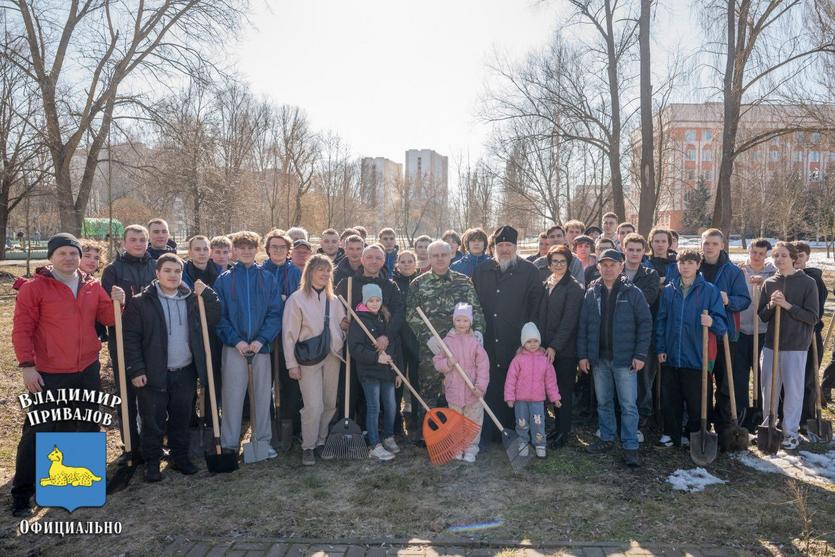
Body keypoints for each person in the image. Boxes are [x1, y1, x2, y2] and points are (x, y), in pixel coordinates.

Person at [11, 233, 124, 516]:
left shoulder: (91, 285)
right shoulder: (35, 289)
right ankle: (22, 494)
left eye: (73, 253)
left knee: (84, 425)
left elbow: (107, 320)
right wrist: (27, 366)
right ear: (51, 257)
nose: (69, 258)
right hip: (48, 372)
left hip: (86, 368)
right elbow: (22, 329)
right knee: (40, 430)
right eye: (62, 253)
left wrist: (117, 303)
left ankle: (74, 489)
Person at [123, 254, 221, 481]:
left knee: (181, 418)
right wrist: (136, 370)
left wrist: (207, 293)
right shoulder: (141, 302)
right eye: (167, 271)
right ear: (157, 274)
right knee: (153, 420)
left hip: (185, 370)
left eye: (177, 271)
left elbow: (214, 316)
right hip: (153, 372)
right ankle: (152, 462)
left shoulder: (190, 299)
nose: (173, 275)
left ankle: (179, 457)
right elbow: (130, 339)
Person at [666, 228, 750, 431]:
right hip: (694, 335)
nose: (710, 247)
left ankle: (723, 424)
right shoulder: (694, 266)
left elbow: (745, 300)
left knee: (723, 383)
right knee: (699, 381)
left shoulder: (732, 271)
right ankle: (699, 421)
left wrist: (728, 300)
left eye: (714, 243)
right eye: (706, 243)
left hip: (722, 334)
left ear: (722, 245)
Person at [577, 249, 651, 467]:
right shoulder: (592, 292)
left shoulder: (633, 292)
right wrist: (583, 355)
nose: (608, 269)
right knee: (604, 401)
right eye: (604, 265)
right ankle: (607, 438)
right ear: (598, 267)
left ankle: (630, 446)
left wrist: (639, 354)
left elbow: (645, 324)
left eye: (613, 264)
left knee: (628, 404)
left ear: (621, 266)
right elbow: (583, 326)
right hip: (599, 359)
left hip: (625, 360)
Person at [214, 231, 283, 459]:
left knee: (263, 396)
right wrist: (237, 341)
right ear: (234, 250)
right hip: (235, 348)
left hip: (260, 348)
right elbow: (219, 316)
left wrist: (261, 339)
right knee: (232, 396)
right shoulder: (224, 280)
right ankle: (230, 444)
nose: (246, 251)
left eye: (250, 247)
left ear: (257, 250)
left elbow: (275, 314)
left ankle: (262, 440)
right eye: (241, 248)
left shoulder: (267, 278)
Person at [406, 240, 485, 437]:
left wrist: (478, 332)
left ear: (451, 256)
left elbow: (476, 310)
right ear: (429, 258)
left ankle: (459, 432)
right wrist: (426, 337)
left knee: (459, 390)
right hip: (431, 349)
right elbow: (410, 314)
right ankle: (429, 434)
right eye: (435, 255)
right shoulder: (418, 283)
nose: (440, 259)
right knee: (429, 390)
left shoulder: (463, 282)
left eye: (443, 255)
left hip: (461, 349)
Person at [473, 226, 543, 443]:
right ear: (494, 247)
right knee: (490, 383)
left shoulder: (530, 271)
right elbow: (474, 303)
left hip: (516, 341)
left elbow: (536, 308)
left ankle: (513, 431)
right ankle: (491, 431)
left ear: (516, 247)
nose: (504, 249)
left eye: (509, 245)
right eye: (500, 245)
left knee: (514, 386)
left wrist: (531, 340)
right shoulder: (482, 270)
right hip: (487, 340)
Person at [654, 248, 728, 448]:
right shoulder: (669, 290)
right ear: (677, 266)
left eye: (690, 263)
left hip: (697, 356)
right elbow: (661, 321)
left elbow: (722, 326)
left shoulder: (709, 291)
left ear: (698, 265)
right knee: (670, 397)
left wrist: (712, 321)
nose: (686, 267)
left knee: (697, 399)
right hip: (671, 354)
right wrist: (660, 348)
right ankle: (671, 433)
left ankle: (695, 432)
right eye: (682, 263)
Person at [283, 254, 347, 465]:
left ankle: (321, 441)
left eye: (328, 270)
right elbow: (289, 334)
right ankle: (308, 446)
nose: (325, 274)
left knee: (329, 403)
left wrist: (343, 331)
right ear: (310, 272)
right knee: (313, 405)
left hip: (332, 357)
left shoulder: (335, 300)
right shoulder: (296, 299)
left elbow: (341, 327)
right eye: (321, 269)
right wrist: (291, 364)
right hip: (308, 358)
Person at [102, 224, 157, 463]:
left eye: (142, 239)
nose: (138, 243)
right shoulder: (114, 270)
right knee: (127, 392)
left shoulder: (155, 266)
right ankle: (130, 445)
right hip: (123, 338)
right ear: (124, 243)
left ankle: (152, 441)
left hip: (153, 337)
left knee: (152, 392)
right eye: (133, 239)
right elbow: (105, 309)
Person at [758, 241, 819, 450]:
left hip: (795, 345)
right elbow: (763, 316)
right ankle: (768, 427)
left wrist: (788, 306)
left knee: (793, 391)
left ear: (793, 258)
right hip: (770, 346)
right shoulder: (769, 283)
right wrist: (771, 305)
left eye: (784, 256)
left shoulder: (807, 283)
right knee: (769, 389)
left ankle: (790, 432)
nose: (779, 260)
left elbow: (812, 317)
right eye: (776, 256)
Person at [335, 244, 405, 427]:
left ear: (384, 261)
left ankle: (383, 429)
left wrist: (387, 336)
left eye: (378, 258)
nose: (374, 261)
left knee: (381, 394)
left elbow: (399, 313)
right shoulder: (348, 284)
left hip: (383, 346)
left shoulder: (390, 286)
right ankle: (353, 427)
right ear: (362, 260)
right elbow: (334, 309)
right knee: (353, 388)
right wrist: (341, 321)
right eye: (370, 257)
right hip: (356, 347)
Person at [537, 245, 583, 448]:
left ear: (568, 263)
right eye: (554, 261)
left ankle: (563, 432)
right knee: (548, 390)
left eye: (562, 261)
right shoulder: (547, 283)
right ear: (549, 264)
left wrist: (555, 346)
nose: (558, 265)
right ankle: (555, 427)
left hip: (563, 351)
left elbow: (569, 322)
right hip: (544, 347)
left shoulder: (573, 287)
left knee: (562, 391)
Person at [348, 284, 400, 461]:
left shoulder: (384, 318)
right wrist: (375, 358)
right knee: (374, 407)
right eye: (371, 300)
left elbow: (393, 344)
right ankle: (374, 445)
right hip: (369, 371)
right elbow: (354, 348)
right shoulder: (358, 320)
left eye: (378, 300)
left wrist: (397, 371)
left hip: (387, 371)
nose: (375, 303)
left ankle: (388, 436)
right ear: (364, 300)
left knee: (391, 405)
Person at [432, 303, 489, 462]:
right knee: (455, 421)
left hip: (473, 391)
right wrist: (448, 363)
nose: (461, 323)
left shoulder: (475, 342)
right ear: (453, 321)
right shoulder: (447, 341)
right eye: (458, 320)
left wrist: (480, 387)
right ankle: (457, 447)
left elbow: (483, 366)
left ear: (470, 322)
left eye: (465, 320)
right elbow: (437, 362)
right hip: (454, 389)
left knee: (473, 421)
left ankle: (471, 449)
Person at [263, 229, 303, 436]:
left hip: (289, 334)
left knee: (289, 381)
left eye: (282, 247)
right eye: (274, 247)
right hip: (266, 334)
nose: (278, 250)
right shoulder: (261, 271)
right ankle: (270, 425)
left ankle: (290, 425)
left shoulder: (295, 272)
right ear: (267, 250)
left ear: (288, 250)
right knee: (266, 381)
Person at [622, 233, 661, 433]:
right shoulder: (615, 271)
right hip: (619, 334)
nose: (634, 253)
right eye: (631, 249)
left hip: (643, 334)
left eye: (638, 250)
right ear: (624, 249)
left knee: (643, 377)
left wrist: (621, 302)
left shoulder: (650, 274)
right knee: (621, 376)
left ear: (644, 252)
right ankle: (622, 415)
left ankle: (642, 416)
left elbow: (647, 299)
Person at [504, 322, 560, 459]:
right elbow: (511, 379)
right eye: (529, 341)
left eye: (535, 341)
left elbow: (550, 381)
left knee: (538, 423)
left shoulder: (545, 360)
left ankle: (540, 444)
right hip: (520, 400)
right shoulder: (518, 360)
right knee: (521, 423)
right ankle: (523, 443)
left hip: (538, 400)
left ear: (539, 341)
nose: (533, 344)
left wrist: (555, 398)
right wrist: (510, 397)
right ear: (523, 343)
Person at [733, 239, 775, 417]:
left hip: (763, 330)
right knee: (739, 375)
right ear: (748, 251)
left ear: (767, 255)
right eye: (754, 252)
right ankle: (741, 411)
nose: (756, 256)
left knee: (761, 373)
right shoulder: (739, 271)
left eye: (761, 254)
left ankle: (759, 412)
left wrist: (764, 281)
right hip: (741, 330)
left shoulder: (773, 274)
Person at [793, 241, 828, 423]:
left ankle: (807, 418)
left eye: (801, 256)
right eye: (795, 255)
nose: (797, 259)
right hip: (789, 337)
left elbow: (816, 312)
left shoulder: (815, 280)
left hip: (810, 335)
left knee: (808, 379)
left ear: (807, 257)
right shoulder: (786, 277)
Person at [392, 250, 421, 437]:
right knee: (397, 381)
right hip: (398, 339)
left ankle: (417, 421)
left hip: (417, 338)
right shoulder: (392, 283)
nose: (407, 264)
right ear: (397, 264)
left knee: (417, 380)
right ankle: (396, 423)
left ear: (416, 263)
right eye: (403, 261)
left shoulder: (421, 282)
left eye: (410, 261)